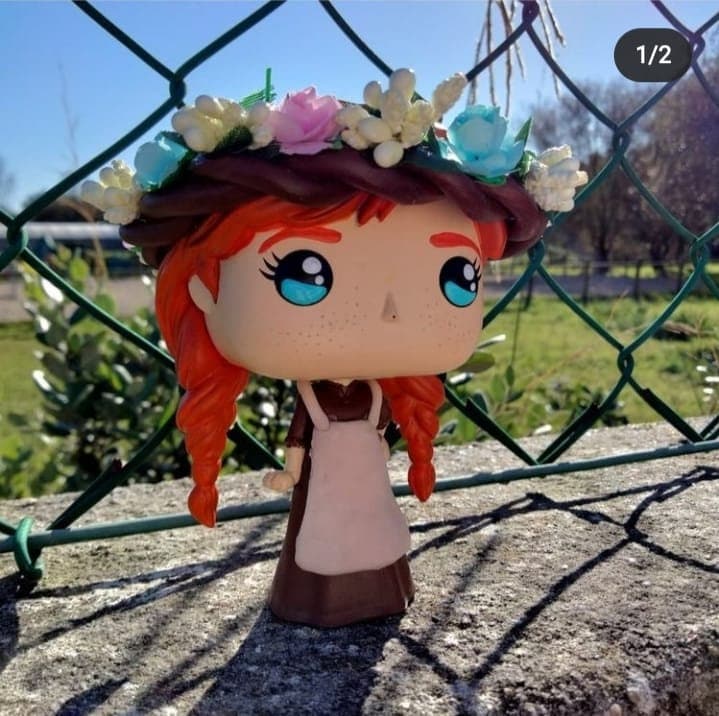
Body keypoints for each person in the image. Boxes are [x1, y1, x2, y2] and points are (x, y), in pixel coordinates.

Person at [82, 68, 586, 626]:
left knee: (376, 528)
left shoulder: (374, 393)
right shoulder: (316, 395)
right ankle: (319, 596)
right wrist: (290, 473)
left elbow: (373, 430)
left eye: (458, 276)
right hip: (325, 484)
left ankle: (382, 587)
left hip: (364, 478)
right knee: (320, 535)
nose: (390, 311)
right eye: (303, 271)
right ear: (203, 286)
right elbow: (299, 440)